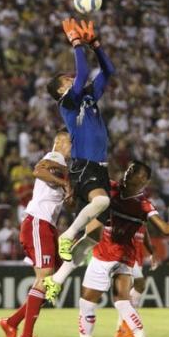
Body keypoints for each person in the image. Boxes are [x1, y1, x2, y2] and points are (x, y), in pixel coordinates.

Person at [56, 161, 169, 337]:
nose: (128, 172)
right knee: (106, 303)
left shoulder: (143, 204)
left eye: (134, 171)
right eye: (129, 169)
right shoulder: (110, 187)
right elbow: (90, 196)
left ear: (144, 180)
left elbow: (165, 229)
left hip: (120, 256)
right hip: (105, 253)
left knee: (107, 303)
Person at [46, 18, 115, 263]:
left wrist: (95, 44)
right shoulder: (67, 102)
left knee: (94, 236)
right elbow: (84, 72)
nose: (73, 79)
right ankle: (67, 234)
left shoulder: (87, 96)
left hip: (99, 167)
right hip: (84, 165)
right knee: (103, 201)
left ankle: (57, 280)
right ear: (60, 91)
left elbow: (109, 71)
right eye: (67, 80)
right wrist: (76, 43)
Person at [0, 129, 71, 337]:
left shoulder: (62, 166)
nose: (72, 147)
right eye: (70, 142)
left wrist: (67, 187)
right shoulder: (55, 157)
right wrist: (65, 182)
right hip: (38, 223)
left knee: (51, 279)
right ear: (59, 141)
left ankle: (12, 323)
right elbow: (38, 170)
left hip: (45, 225)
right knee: (46, 280)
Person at [114, 226, 160, 337]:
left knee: (132, 295)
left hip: (137, 260)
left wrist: (152, 253)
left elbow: (145, 238)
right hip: (125, 259)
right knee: (135, 289)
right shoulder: (127, 219)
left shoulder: (142, 223)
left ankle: (122, 330)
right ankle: (126, 330)